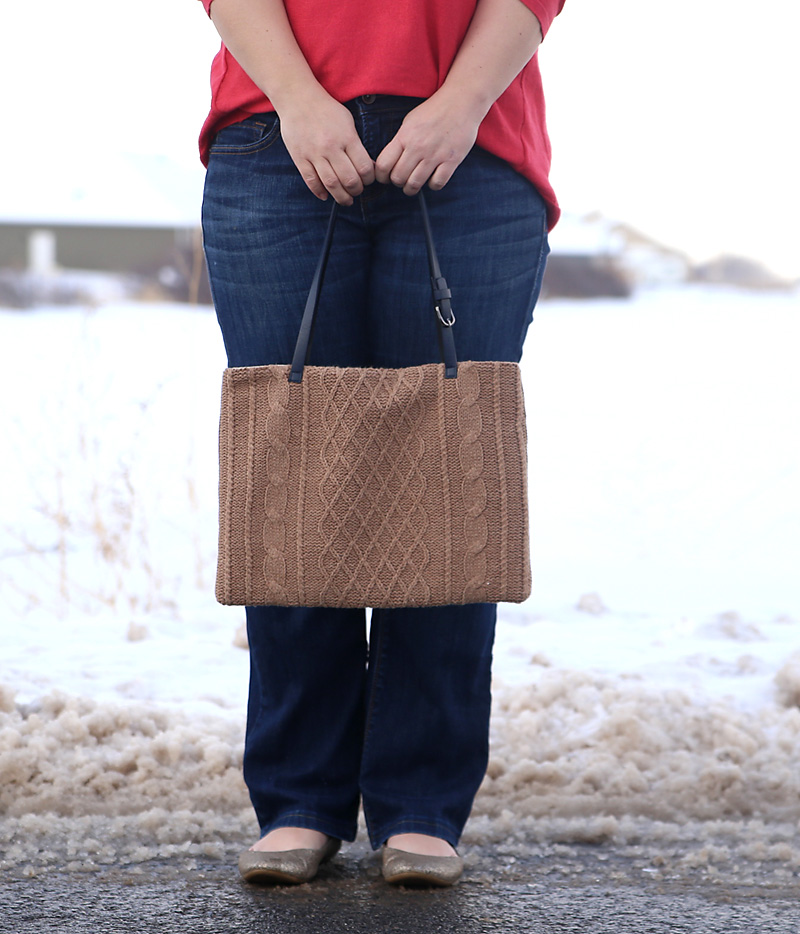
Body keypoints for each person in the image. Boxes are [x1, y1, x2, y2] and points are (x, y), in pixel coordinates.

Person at [198, 0, 564, 886]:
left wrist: (460, 104)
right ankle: (298, 801)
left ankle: (421, 805)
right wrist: (299, 100)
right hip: (275, 139)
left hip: (471, 145)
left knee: (448, 466)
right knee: (295, 468)